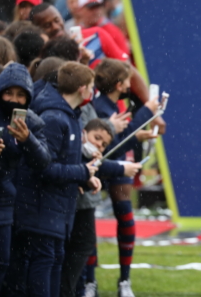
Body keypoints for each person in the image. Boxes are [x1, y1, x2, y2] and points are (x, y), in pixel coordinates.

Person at [3, 62, 101, 297]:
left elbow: (59, 165)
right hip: (40, 211)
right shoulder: (55, 118)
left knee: (54, 263)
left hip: (56, 212)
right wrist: (82, 173)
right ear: (81, 88)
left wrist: (81, 179)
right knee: (42, 268)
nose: (92, 92)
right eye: (91, 87)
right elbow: (44, 167)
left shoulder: (69, 117)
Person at [0, 62, 51, 297]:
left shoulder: (31, 122)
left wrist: (27, 140)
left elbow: (43, 161)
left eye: (20, 95)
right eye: (8, 92)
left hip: (3, 199)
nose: (13, 99)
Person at [92, 58, 159, 297]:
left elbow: (122, 140)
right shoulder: (100, 108)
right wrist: (147, 112)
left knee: (125, 216)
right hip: (106, 167)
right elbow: (114, 148)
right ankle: (93, 281)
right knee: (90, 219)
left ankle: (123, 281)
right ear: (120, 84)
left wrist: (138, 136)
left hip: (116, 166)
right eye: (128, 80)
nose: (131, 85)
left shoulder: (108, 106)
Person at [60, 118, 143, 297]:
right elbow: (62, 167)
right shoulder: (73, 140)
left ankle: (84, 286)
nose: (98, 145)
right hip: (59, 210)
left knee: (80, 247)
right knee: (68, 251)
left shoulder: (85, 149)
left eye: (104, 144)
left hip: (72, 207)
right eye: (96, 138)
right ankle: (84, 285)